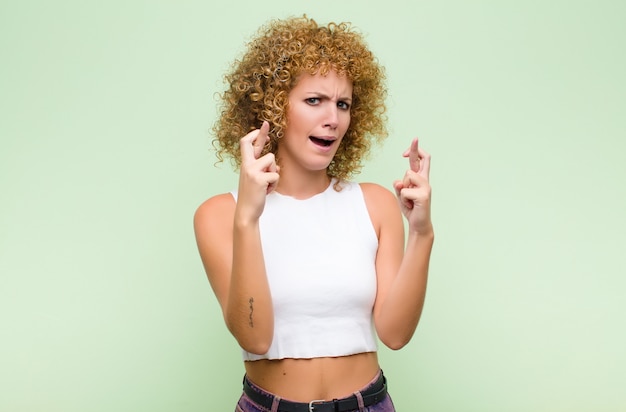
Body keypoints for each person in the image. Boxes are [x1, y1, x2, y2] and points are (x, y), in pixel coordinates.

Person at [194, 15, 433, 412]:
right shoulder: (221, 214)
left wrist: (422, 233)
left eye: (343, 104)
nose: (333, 118)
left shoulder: (373, 204)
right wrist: (249, 219)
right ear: (273, 108)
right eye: (314, 100)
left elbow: (395, 333)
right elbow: (255, 338)